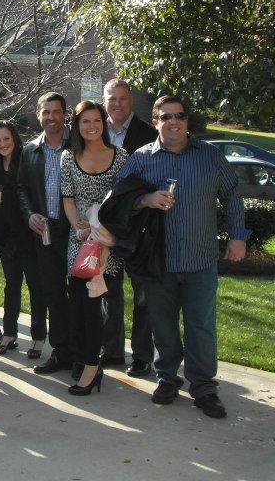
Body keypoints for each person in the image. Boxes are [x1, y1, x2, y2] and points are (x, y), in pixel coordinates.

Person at [114, 95, 248, 419]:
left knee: (201, 326)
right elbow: (118, 199)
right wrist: (145, 198)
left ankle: (203, 387)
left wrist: (238, 236)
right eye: (166, 117)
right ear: (156, 121)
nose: (173, 122)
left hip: (201, 259)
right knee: (163, 325)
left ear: (187, 120)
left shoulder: (210, 156)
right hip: (159, 260)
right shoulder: (142, 158)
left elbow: (232, 193)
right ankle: (167, 379)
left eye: (179, 116)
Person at [60, 101, 129, 395]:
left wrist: (104, 232)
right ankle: (84, 360)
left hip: (106, 244)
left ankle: (92, 367)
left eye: (96, 120)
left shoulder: (121, 157)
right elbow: (68, 198)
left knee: (96, 306)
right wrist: (78, 226)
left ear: (103, 122)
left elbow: (125, 201)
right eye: (85, 121)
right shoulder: (68, 157)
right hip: (80, 242)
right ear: (77, 126)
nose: (91, 126)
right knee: (78, 305)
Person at [101, 78, 158, 377]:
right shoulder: (94, 131)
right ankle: (111, 350)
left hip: (138, 226)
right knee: (109, 290)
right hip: (106, 225)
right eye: (112, 98)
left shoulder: (148, 135)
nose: (117, 104)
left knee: (142, 293)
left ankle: (141, 356)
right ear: (104, 100)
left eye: (122, 98)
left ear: (131, 101)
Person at [17, 92, 73, 376]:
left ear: (65, 114)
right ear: (38, 115)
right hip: (46, 232)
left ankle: (85, 355)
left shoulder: (79, 144)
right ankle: (61, 353)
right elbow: (21, 188)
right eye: (45, 112)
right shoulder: (30, 150)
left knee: (81, 294)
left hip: (77, 231)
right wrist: (29, 215)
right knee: (53, 294)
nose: (51, 117)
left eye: (56, 111)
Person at [0, 120, 46, 358]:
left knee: (35, 286)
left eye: (7, 139)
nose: (2, 144)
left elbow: (29, 194)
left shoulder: (26, 160)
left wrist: (5, 198)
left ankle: (38, 336)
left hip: (28, 234)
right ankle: (9, 333)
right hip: (6, 236)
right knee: (12, 285)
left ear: (15, 140)